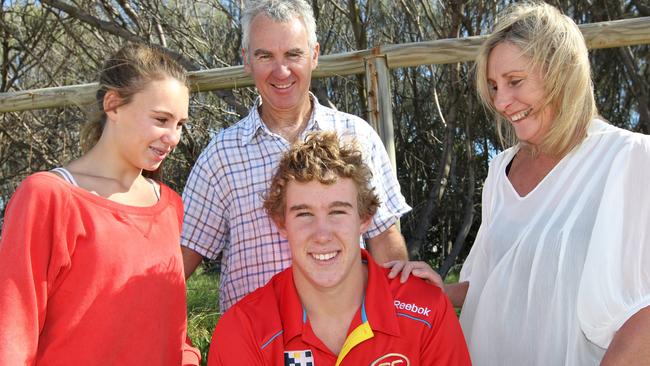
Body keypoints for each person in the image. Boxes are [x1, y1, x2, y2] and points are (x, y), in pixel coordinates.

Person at [391, 2, 650, 365]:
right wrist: (443, 290)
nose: (500, 101)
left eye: (515, 81)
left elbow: (644, 315)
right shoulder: (500, 170)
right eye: (494, 86)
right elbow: (491, 280)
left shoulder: (629, 159)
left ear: (561, 71)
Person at [181, 0, 411, 311]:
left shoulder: (357, 136)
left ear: (314, 55)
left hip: (347, 342)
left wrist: (405, 311)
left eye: (293, 54)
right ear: (247, 59)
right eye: (265, 56)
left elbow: (385, 240)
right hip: (256, 345)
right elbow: (180, 262)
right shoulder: (221, 156)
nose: (281, 70)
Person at [0, 44, 200, 365]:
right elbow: (13, 330)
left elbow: (169, 327)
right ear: (113, 104)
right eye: (161, 119)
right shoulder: (48, 196)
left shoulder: (170, 206)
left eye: (180, 124)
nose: (173, 137)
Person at [207, 131, 470, 365]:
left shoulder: (425, 310)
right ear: (281, 223)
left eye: (337, 212)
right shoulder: (243, 330)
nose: (322, 235)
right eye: (304, 214)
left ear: (365, 218)